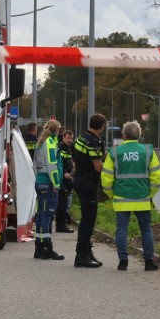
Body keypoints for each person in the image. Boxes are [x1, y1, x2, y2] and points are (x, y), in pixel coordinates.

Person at [102, 120, 160, 271]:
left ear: (124, 135)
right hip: (142, 198)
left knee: (122, 229)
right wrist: (150, 194)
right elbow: (157, 176)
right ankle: (149, 262)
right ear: (139, 135)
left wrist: (111, 194)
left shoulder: (114, 152)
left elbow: (106, 178)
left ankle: (123, 261)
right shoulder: (148, 151)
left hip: (122, 198)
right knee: (146, 229)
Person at [69, 113, 107, 269]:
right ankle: (81, 255)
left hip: (79, 180)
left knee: (87, 218)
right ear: (102, 127)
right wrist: (109, 166)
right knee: (88, 220)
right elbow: (98, 167)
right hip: (88, 184)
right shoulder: (94, 142)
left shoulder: (81, 137)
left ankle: (87, 251)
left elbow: (78, 158)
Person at [31, 118, 65, 261]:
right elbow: (52, 166)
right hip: (48, 182)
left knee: (40, 215)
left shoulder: (40, 143)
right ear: (56, 130)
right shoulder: (50, 143)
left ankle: (39, 246)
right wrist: (56, 184)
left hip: (39, 182)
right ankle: (46, 247)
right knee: (47, 215)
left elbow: (34, 165)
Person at [56, 128, 76, 234]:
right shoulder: (60, 148)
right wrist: (64, 173)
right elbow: (59, 162)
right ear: (63, 137)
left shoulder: (68, 148)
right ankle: (61, 225)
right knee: (62, 204)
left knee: (64, 203)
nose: (70, 140)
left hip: (68, 178)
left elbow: (69, 161)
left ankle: (62, 223)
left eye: (71, 138)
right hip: (63, 179)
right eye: (68, 138)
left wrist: (72, 169)